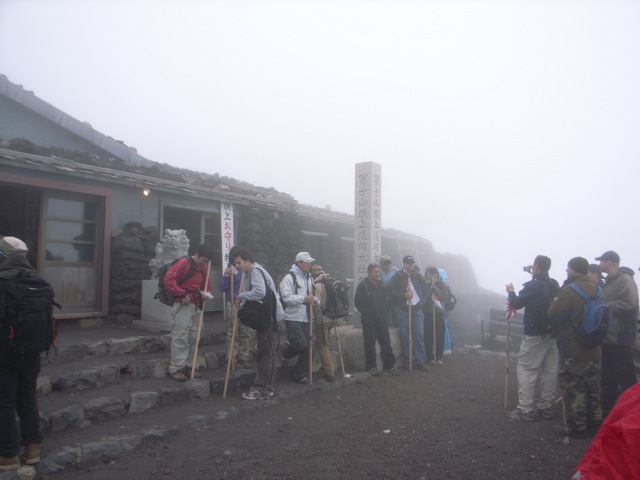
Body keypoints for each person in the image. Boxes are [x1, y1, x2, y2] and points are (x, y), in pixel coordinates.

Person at [0, 237, 43, 470]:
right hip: (32, 350)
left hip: (5, 350)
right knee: (27, 396)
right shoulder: (38, 279)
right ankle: (32, 447)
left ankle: (8, 455)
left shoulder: (3, 280)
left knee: (5, 399)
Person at [547, 257, 602, 438]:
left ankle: (577, 429)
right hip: (595, 349)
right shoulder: (598, 289)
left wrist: (555, 300)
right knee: (593, 390)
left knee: (574, 389)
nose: (566, 271)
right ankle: (595, 427)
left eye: (568, 268)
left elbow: (553, 313)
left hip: (574, 348)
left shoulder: (569, 291)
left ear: (573, 270)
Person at [505, 255, 560, 422]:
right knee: (549, 371)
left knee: (527, 368)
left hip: (535, 334)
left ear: (536, 266)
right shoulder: (554, 285)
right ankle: (545, 406)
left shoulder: (533, 286)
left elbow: (516, 303)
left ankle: (525, 408)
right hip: (553, 335)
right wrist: (536, 274)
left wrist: (511, 291)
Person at [233, 247, 284, 400]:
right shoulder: (255, 270)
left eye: (239, 262)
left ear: (247, 261)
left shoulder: (255, 271)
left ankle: (260, 389)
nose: (237, 266)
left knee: (264, 353)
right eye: (235, 263)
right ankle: (267, 388)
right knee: (269, 352)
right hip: (271, 316)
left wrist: (241, 295)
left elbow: (260, 292)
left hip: (268, 318)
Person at [596, 250, 639, 417]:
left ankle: (633, 416)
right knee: (608, 377)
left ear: (609, 262)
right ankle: (606, 413)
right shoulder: (611, 281)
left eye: (602, 261)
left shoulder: (625, 279)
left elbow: (630, 303)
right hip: (609, 337)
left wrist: (605, 307)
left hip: (620, 337)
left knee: (626, 378)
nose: (600, 264)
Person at [164, 244, 213, 381]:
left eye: (206, 261)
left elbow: (206, 283)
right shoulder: (184, 262)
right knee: (180, 336)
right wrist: (182, 293)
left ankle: (189, 365)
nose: (204, 263)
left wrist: (207, 293)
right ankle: (176, 368)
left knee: (193, 337)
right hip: (183, 304)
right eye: (203, 260)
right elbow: (168, 279)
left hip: (197, 303)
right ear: (197, 254)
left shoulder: (203, 266)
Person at [354, 263, 400, 376]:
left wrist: (384, 311)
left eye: (379, 272)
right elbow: (358, 303)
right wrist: (368, 314)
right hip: (369, 320)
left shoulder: (380, 285)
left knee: (386, 341)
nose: (378, 274)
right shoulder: (363, 285)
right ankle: (371, 367)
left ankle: (389, 366)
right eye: (375, 272)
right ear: (369, 273)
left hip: (382, 318)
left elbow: (386, 299)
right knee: (369, 343)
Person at [385, 255, 430, 372]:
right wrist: (403, 296)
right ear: (404, 264)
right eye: (409, 263)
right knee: (404, 335)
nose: (411, 265)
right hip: (402, 309)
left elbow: (426, 291)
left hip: (417, 309)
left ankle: (419, 361)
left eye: (412, 263)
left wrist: (422, 302)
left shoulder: (418, 276)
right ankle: (407, 360)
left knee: (419, 335)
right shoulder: (398, 276)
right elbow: (389, 290)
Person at [279, 252, 318, 383]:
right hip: (292, 317)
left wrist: (315, 301)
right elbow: (286, 298)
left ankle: (299, 374)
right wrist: (304, 299)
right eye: (306, 262)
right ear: (299, 263)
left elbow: (311, 294)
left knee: (309, 347)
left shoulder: (309, 278)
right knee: (300, 344)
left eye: (309, 262)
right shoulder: (289, 278)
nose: (309, 264)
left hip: (306, 317)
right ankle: (285, 353)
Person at [219, 259, 253, 370]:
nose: (238, 264)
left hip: (245, 304)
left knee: (245, 331)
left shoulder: (248, 270)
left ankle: (244, 357)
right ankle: (230, 358)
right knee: (232, 332)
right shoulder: (231, 269)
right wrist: (226, 276)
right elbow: (222, 288)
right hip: (232, 303)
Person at [310, 265, 336, 382]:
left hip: (322, 319)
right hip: (333, 318)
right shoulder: (331, 282)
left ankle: (329, 372)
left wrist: (313, 316)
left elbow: (316, 305)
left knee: (322, 345)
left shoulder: (316, 285)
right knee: (326, 342)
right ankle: (320, 366)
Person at [423, 267, 447, 365]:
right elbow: (423, 297)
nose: (433, 275)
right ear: (427, 274)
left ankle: (439, 357)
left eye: (435, 273)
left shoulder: (441, 284)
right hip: (428, 314)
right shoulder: (424, 284)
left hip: (439, 313)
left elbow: (443, 296)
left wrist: (434, 287)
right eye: (431, 273)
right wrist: (430, 287)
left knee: (440, 336)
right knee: (428, 336)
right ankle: (430, 357)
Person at [438, 268, 453, 355]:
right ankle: (447, 348)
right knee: (445, 328)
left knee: (442, 328)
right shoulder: (446, 287)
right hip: (446, 310)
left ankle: (444, 348)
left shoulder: (441, 286)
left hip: (441, 310)